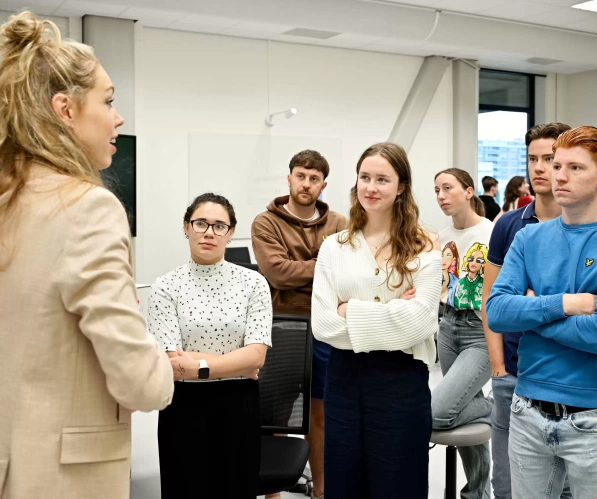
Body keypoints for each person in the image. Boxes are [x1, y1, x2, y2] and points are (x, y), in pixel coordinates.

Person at [0, 12, 175, 499]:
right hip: (64, 480)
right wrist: (161, 359)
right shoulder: (87, 207)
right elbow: (141, 384)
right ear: (65, 109)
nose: (119, 117)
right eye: (109, 100)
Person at [487, 126, 597, 499]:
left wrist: (534, 315)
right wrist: (567, 304)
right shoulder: (528, 238)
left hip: (595, 415)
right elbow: (497, 313)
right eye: (555, 164)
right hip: (528, 409)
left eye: (575, 168)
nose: (559, 175)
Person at [312, 142, 440, 498]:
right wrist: (393, 313)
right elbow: (322, 326)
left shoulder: (425, 245)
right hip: (344, 380)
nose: (370, 187)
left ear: (401, 186)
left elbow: (421, 323)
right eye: (364, 177)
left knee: (398, 483)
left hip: (401, 382)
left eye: (382, 179)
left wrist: (349, 310)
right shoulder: (334, 247)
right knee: (345, 482)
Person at [149, 193, 272, 499]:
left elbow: (256, 356)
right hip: (183, 407)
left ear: (231, 233)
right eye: (201, 223)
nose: (209, 232)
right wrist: (235, 362)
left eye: (219, 226)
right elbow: (171, 363)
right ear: (186, 227)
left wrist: (199, 365)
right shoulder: (165, 286)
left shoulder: (254, 283)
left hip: (238, 407)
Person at [481, 122, 572, 499]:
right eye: (532, 159)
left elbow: (592, 311)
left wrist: (530, 305)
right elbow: (492, 302)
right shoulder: (509, 225)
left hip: (568, 371)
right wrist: (498, 366)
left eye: (549, 159)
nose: (539, 168)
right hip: (513, 373)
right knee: (507, 485)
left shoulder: (586, 228)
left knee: (566, 486)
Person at [252, 149, 347, 499]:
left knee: (320, 416)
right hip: (283, 329)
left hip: (326, 329)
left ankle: (321, 489)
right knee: (274, 417)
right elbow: (275, 272)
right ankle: (272, 491)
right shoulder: (266, 222)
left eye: (314, 178)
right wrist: (323, 264)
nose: (306, 184)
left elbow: (347, 274)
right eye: (300, 176)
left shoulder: (340, 224)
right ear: (289, 178)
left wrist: (301, 268)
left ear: (323, 185)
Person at [432, 168, 494, 499]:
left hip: (479, 330)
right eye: (437, 190)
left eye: (448, 188)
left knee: (439, 412)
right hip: (448, 324)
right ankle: (477, 494)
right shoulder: (440, 237)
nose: (441, 195)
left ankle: (497, 408)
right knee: (461, 409)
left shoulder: (492, 232)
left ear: (469, 192)